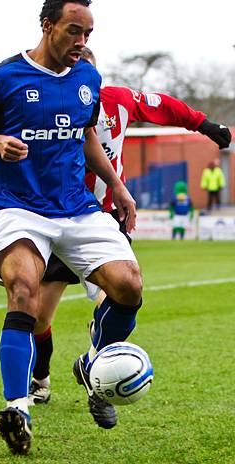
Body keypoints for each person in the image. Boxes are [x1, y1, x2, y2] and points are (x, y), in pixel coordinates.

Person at [0, 0, 142, 456]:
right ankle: (18, 407)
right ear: (48, 25)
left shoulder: (86, 78)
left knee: (129, 287)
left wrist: (116, 186)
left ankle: (92, 364)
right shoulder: (2, 77)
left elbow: (84, 138)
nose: (81, 40)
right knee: (24, 291)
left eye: (88, 33)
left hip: (77, 207)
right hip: (19, 207)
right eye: (74, 30)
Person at [29, 47, 232, 422]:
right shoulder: (45, 107)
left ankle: (96, 375)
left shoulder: (119, 101)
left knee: (119, 295)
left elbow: (165, 105)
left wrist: (206, 126)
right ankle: (40, 378)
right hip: (55, 218)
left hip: (105, 220)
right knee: (38, 316)